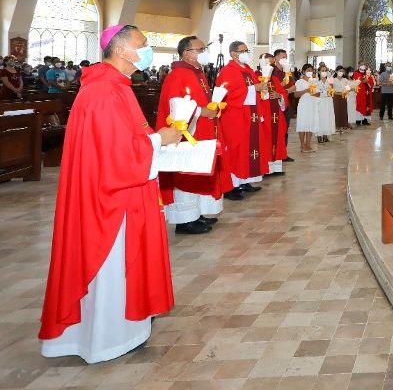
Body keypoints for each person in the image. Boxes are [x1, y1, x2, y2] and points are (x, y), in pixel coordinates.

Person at [39, 24, 181, 363]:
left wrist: (157, 140)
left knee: (117, 267)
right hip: (111, 199)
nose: (147, 50)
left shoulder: (113, 85)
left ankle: (120, 330)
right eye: (142, 44)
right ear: (120, 50)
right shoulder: (104, 91)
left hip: (114, 192)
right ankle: (110, 337)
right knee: (114, 266)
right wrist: (161, 139)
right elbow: (118, 154)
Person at [156, 36, 230, 235]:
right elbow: (175, 105)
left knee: (199, 169)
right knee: (186, 172)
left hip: (202, 129)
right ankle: (184, 220)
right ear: (186, 53)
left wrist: (212, 107)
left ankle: (197, 213)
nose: (204, 52)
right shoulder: (178, 74)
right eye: (200, 49)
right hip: (187, 132)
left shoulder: (197, 73)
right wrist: (202, 111)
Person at [216, 41, 268, 199]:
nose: (247, 53)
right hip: (235, 117)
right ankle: (231, 186)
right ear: (233, 54)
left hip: (250, 116)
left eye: (247, 50)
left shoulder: (248, 70)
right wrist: (254, 89)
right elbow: (226, 95)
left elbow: (255, 92)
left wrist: (260, 90)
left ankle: (244, 180)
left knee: (247, 149)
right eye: (243, 50)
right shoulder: (227, 71)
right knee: (236, 150)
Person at [273, 49, 296, 161]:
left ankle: (284, 153)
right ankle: (275, 153)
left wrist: (286, 91)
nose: (284, 59)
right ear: (275, 58)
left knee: (285, 128)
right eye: (282, 57)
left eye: (285, 57)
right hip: (276, 103)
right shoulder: (272, 71)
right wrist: (284, 88)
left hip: (287, 102)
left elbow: (293, 86)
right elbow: (274, 87)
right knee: (278, 129)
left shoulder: (287, 71)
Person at [294, 64, 320, 152]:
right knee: (302, 123)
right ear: (304, 71)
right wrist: (306, 90)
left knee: (310, 123)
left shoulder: (315, 81)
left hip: (312, 103)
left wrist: (313, 93)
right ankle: (302, 144)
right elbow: (296, 94)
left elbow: (318, 94)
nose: (310, 72)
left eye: (311, 70)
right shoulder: (299, 82)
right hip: (303, 104)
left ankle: (308, 143)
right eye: (308, 70)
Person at [315, 67, 336, 142]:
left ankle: (325, 134)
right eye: (322, 71)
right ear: (319, 72)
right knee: (320, 118)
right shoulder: (315, 81)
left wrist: (331, 88)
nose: (324, 72)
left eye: (325, 71)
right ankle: (319, 135)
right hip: (320, 101)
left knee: (327, 117)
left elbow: (332, 91)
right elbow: (316, 92)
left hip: (328, 101)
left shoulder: (330, 80)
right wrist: (324, 93)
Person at [332, 66, 351, 131]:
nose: (341, 72)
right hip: (336, 96)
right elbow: (331, 90)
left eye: (342, 71)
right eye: (340, 71)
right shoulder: (333, 80)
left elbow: (348, 88)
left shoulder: (345, 80)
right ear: (336, 71)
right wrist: (339, 93)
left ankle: (343, 124)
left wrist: (346, 91)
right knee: (336, 110)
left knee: (343, 110)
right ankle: (337, 125)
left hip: (343, 96)